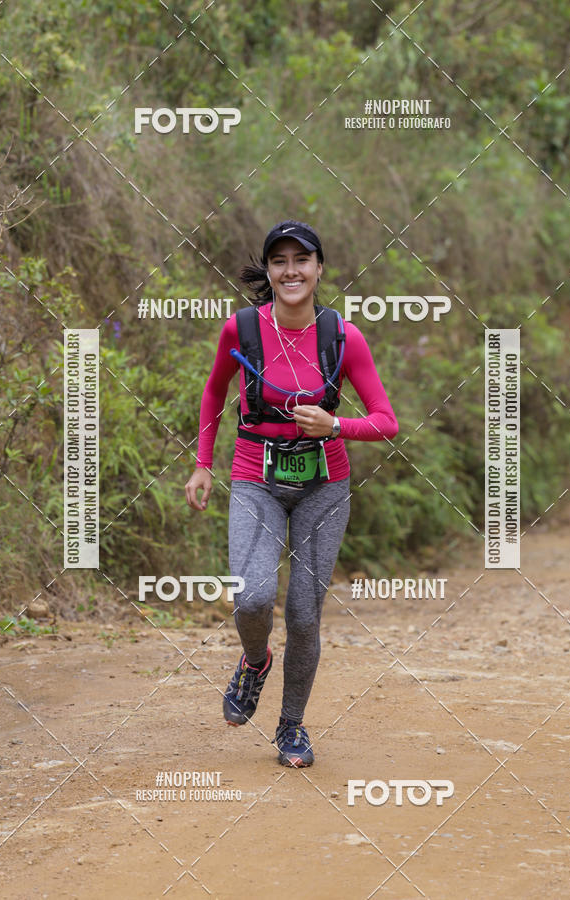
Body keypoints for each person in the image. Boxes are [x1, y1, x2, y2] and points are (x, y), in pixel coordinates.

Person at [185, 219, 398, 767]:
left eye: (301, 260)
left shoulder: (344, 337)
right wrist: (203, 465)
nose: (291, 270)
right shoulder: (241, 330)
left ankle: (291, 726)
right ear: (270, 272)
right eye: (279, 261)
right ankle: (255, 661)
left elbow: (386, 422)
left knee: (304, 615)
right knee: (252, 596)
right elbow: (214, 392)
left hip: (324, 486)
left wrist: (333, 426)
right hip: (256, 478)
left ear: (319, 269)